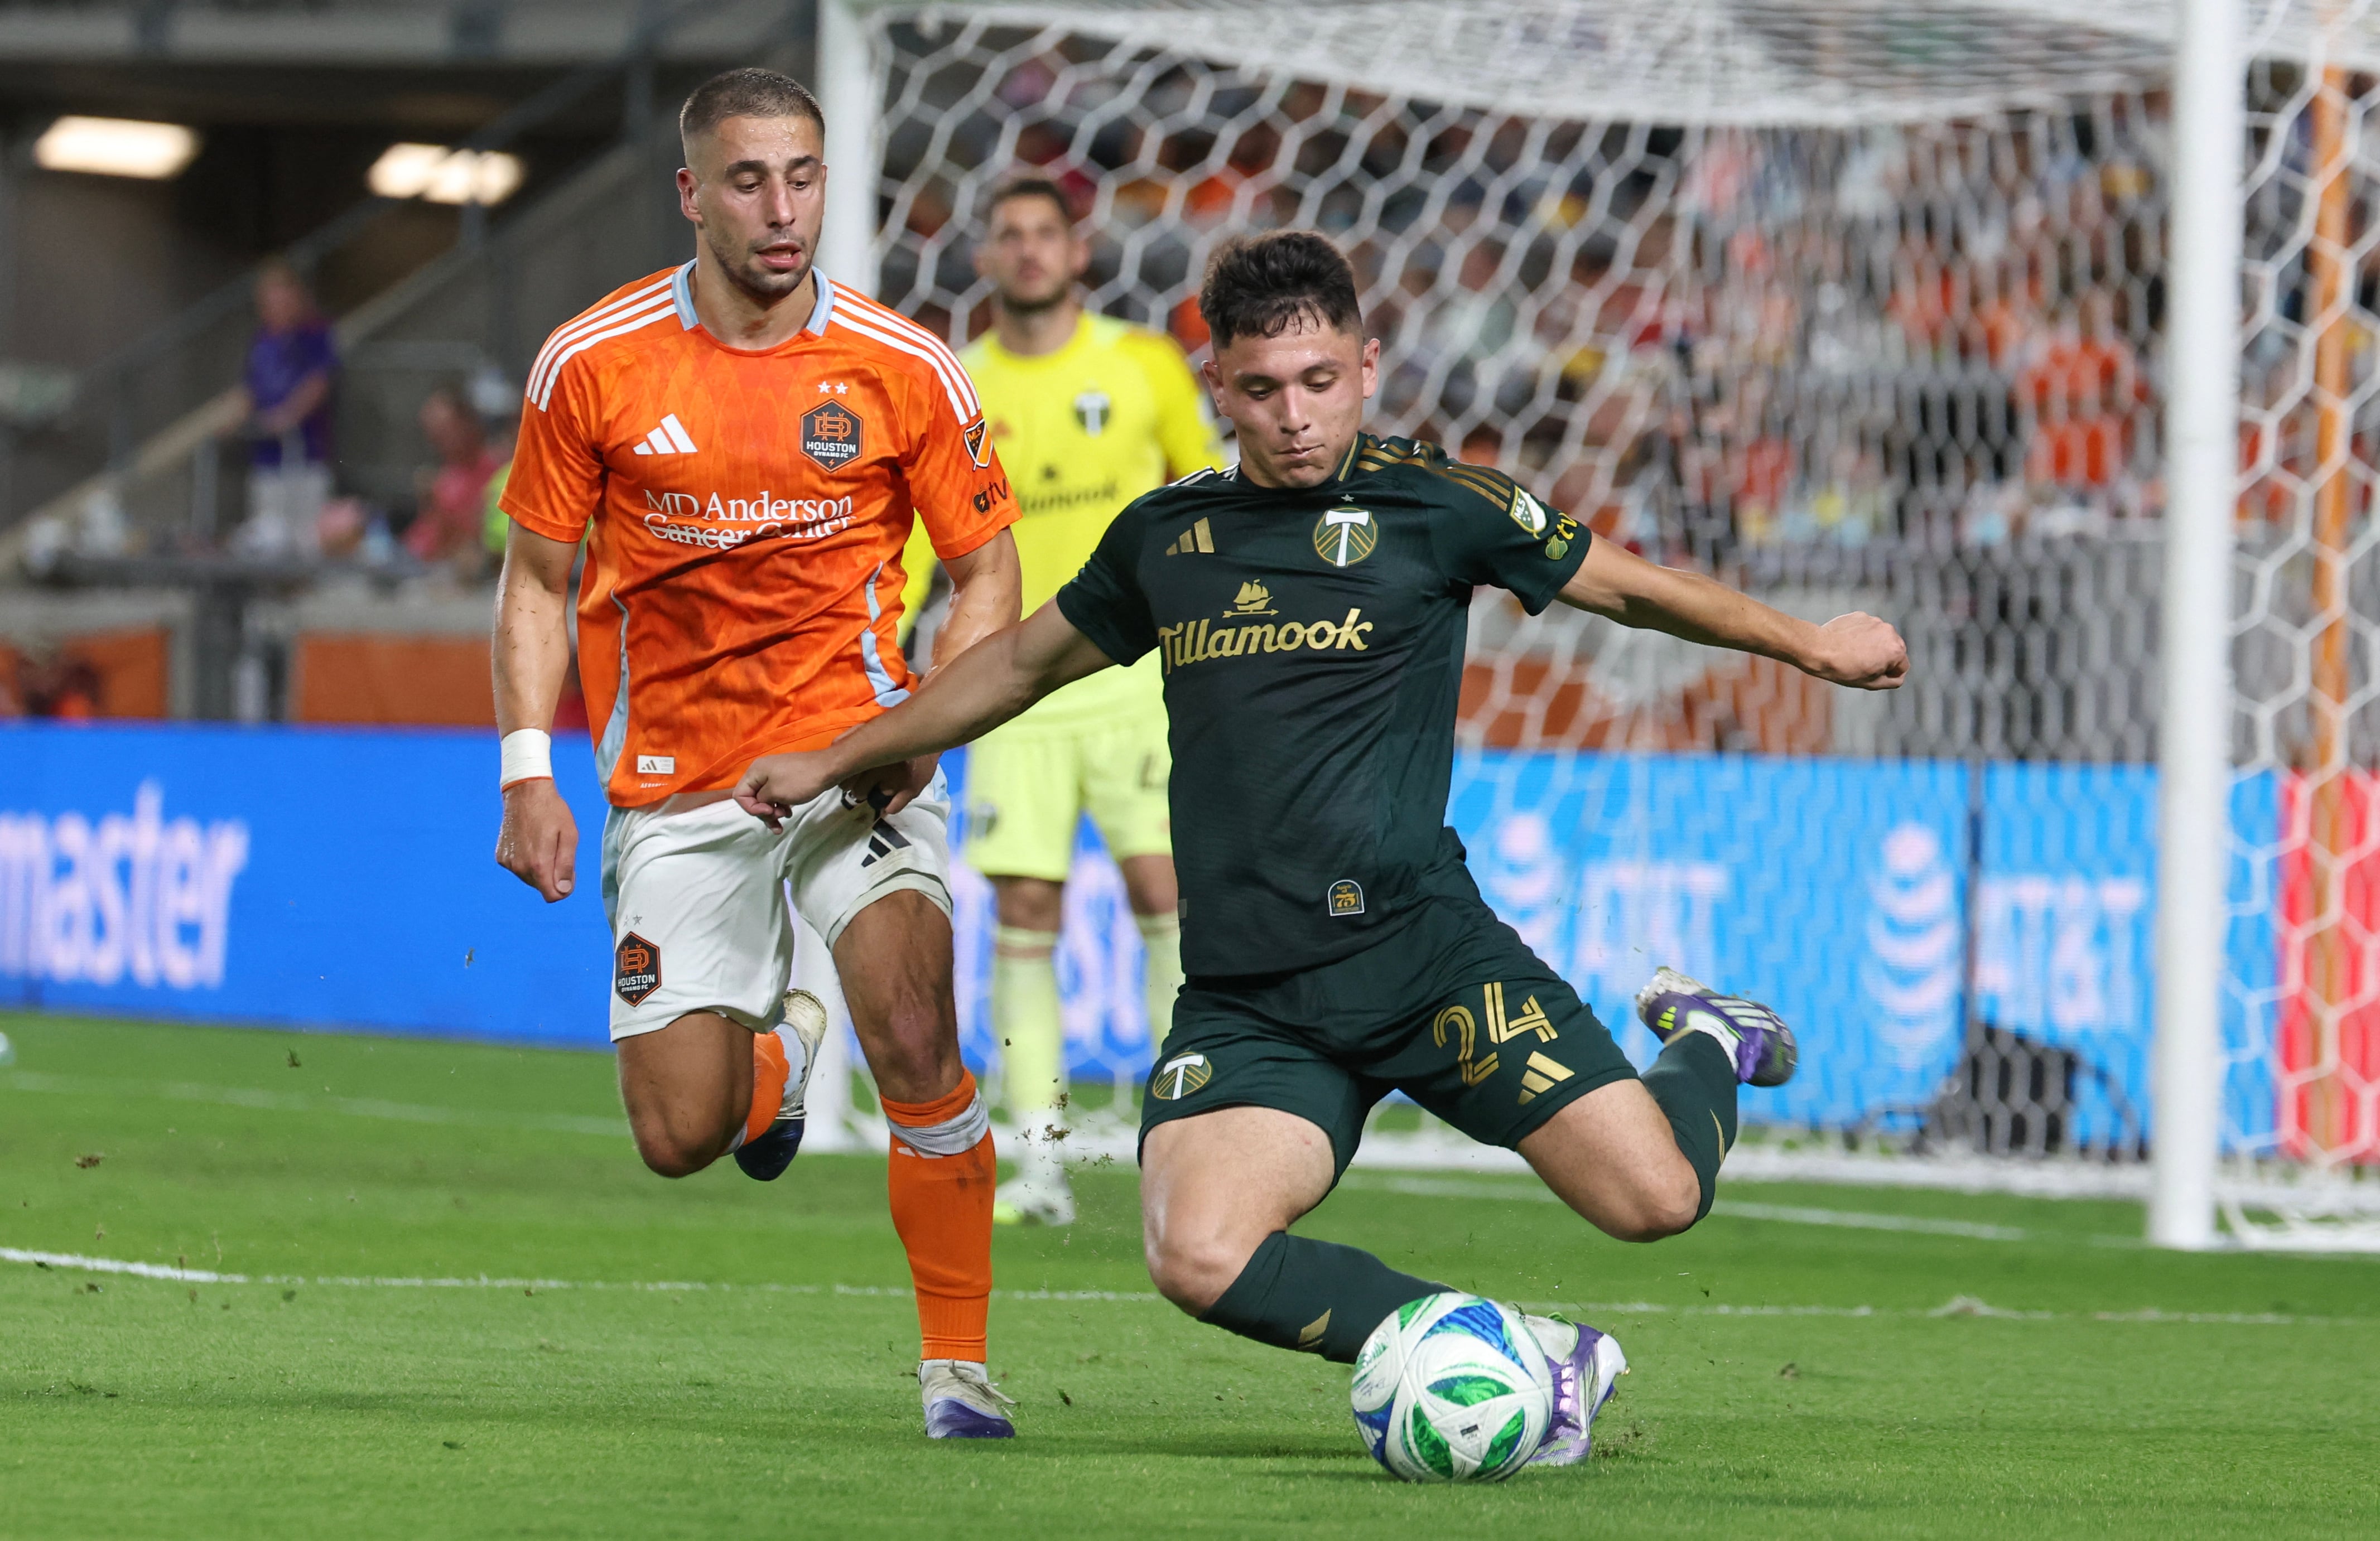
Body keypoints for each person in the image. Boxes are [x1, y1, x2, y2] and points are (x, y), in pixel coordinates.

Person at [736, 230, 1907, 1465]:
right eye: (1260, 388)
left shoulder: (1444, 507)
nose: (1294, 416)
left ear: (1367, 366)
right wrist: (841, 752)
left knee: (1659, 1198)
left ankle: (1713, 1038)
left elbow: (1632, 587)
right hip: (1256, 998)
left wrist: (1807, 643)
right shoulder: (1168, 540)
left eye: (1320, 382)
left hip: (1426, 959)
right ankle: (1496, 1350)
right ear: (1218, 386)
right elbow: (1021, 664)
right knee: (1193, 1253)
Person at [489, 67, 1024, 1439]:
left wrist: (919, 732)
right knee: (680, 1136)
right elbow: (534, 580)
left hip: (855, 758)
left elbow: (988, 579)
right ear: (691, 194)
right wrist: (524, 770)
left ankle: (956, 1367)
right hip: (677, 777)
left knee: (914, 1025)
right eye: (747, 180)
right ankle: (781, 1057)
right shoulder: (591, 362)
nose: (782, 210)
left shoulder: (903, 365)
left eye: (802, 177)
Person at [898, 177, 1226, 1227]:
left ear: (1078, 252)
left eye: (1047, 234)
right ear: (985, 258)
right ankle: (1037, 1158)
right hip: (1016, 688)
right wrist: (889, 643)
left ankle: (1187, 1136)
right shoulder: (957, 381)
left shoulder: (1142, 366)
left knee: (1164, 892)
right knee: (1023, 909)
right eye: (1010, 236)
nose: (1030, 252)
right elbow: (919, 533)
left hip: (1136, 682)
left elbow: (1210, 494)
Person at [229, 261, 338, 558]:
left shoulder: (314, 334)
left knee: (306, 533)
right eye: (269, 302)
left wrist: (288, 416)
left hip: (305, 452)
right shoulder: (262, 340)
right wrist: (239, 418)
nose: (276, 308)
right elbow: (251, 387)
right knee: (268, 529)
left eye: (283, 300)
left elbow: (319, 383)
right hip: (267, 454)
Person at [407, 385, 503, 578]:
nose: (440, 441)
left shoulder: (497, 470)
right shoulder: (446, 476)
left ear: (467, 424)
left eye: (446, 431)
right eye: (434, 435)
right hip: (420, 561)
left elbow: (478, 536)